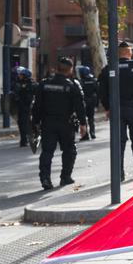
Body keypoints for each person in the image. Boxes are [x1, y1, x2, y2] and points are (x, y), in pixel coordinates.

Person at [98, 41, 133, 179]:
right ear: (129, 53)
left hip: (116, 110)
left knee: (118, 141)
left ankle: (119, 173)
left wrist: (107, 108)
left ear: (118, 53)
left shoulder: (109, 69)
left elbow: (102, 91)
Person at [32, 57, 87, 190]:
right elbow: (80, 106)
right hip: (66, 123)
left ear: (57, 69)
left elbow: (36, 105)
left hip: (48, 123)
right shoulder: (72, 85)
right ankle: (65, 177)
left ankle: (45, 178)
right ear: (70, 70)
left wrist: (35, 123)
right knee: (69, 150)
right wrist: (83, 124)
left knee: (47, 152)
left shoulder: (44, 84)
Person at [11, 67, 37, 150]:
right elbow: (15, 93)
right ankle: (23, 140)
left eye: (21, 75)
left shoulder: (32, 84)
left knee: (29, 123)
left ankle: (31, 138)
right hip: (21, 107)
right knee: (21, 123)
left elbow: (36, 94)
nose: (20, 76)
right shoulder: (18, 83)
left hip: (30, 106)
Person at [76, 65, 99, 142]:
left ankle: (85, 135)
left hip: (84, 101)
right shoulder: (93, 80)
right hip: (92, 101)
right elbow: (97, 91)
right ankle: (92, 133)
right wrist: (97, 103)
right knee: (91, 118)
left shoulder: (81, 82)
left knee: (83, 118)